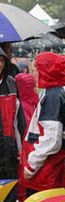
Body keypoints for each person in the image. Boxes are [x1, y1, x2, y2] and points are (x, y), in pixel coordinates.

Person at [19, 52, 65, 193]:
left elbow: (51, 140)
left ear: (45, 71)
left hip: (46, 169)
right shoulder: (58, 90)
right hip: (49, 166)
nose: (33, 74)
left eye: (35, 70)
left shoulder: (53, 95)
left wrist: (31, 165)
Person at [0, 47, 25, 180]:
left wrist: (22, 149)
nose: (0, 64)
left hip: (9, 147)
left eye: (2, 60)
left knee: (9, 191)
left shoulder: (11, 84)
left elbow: (19, 121)